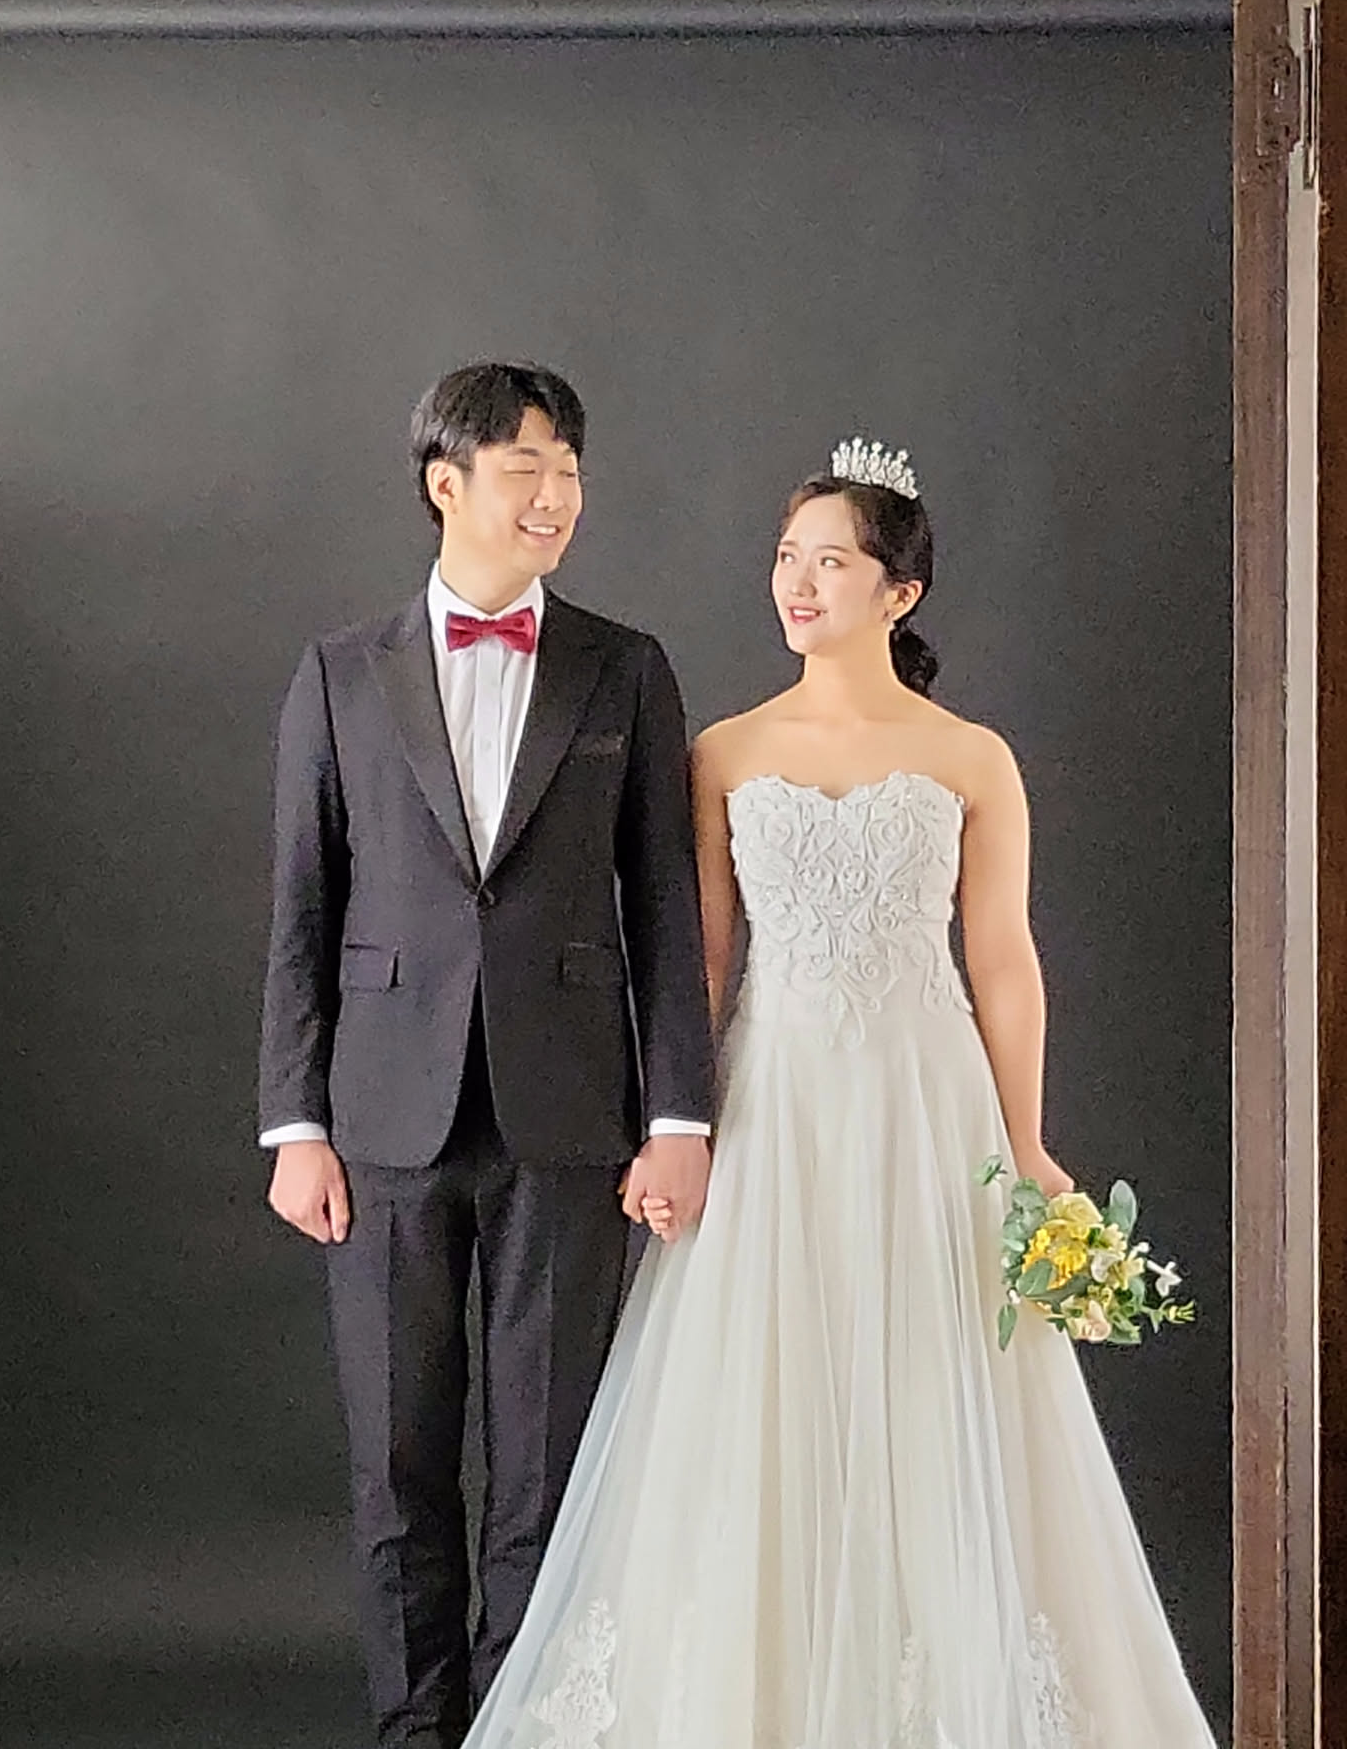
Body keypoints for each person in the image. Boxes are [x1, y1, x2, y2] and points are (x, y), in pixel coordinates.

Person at [458, 438, 1217, 1747]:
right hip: (774, 1106)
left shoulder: (971, 757)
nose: (797, 584)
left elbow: (1003, 961)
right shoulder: (725, 750)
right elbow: (697, 962)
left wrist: (1029, 1143)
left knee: (931, 1389)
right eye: (785, 559)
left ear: (898, 592)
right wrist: (671, 1123)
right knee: (760, 1395)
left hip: (927, 1106)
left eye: (830, 562)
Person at [256, 361, 716, 1749]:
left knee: (549, 1470)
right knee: (398, 1467)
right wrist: (294, 1124)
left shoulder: (625, 668)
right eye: (528, 469)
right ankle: (416, 1730)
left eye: (570, 471)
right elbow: (302, 906)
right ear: (445, 484)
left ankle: (526, 1727)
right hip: (381, 1121)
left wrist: (679, 1116)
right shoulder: (341, 672)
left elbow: (668, 909)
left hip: (571, 1120)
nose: (557, 496)